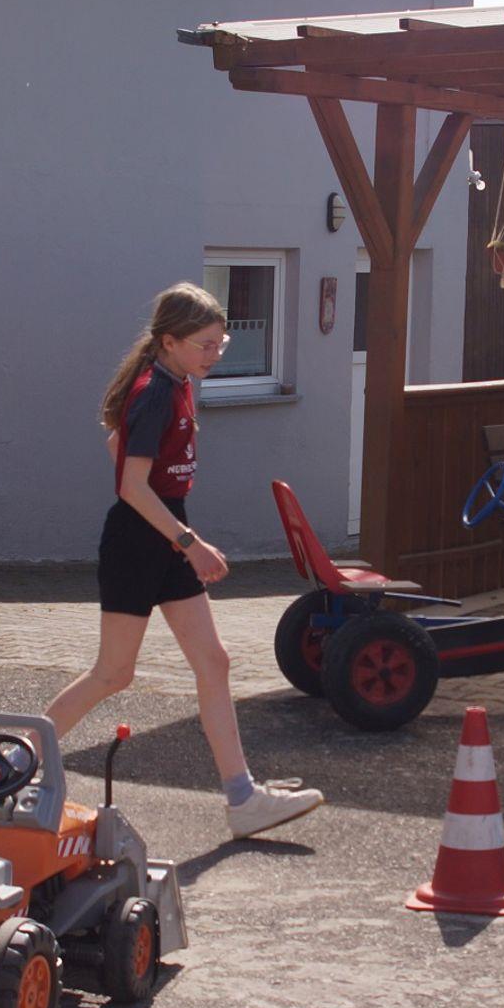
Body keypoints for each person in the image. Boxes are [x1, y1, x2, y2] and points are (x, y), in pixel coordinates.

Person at [43, 283, 324, 839]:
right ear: (169, 342)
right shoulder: (154, 392)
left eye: (221, 343)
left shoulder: (176, 382)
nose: (215, 354)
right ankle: (11, 760)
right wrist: (190, 543)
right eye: (205, 344)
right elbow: (131, 486)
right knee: (113, 673)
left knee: (213, 662)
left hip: (164, 533)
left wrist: (179, 538)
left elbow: (116, 443)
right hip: (138, 540)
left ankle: (243, 799)